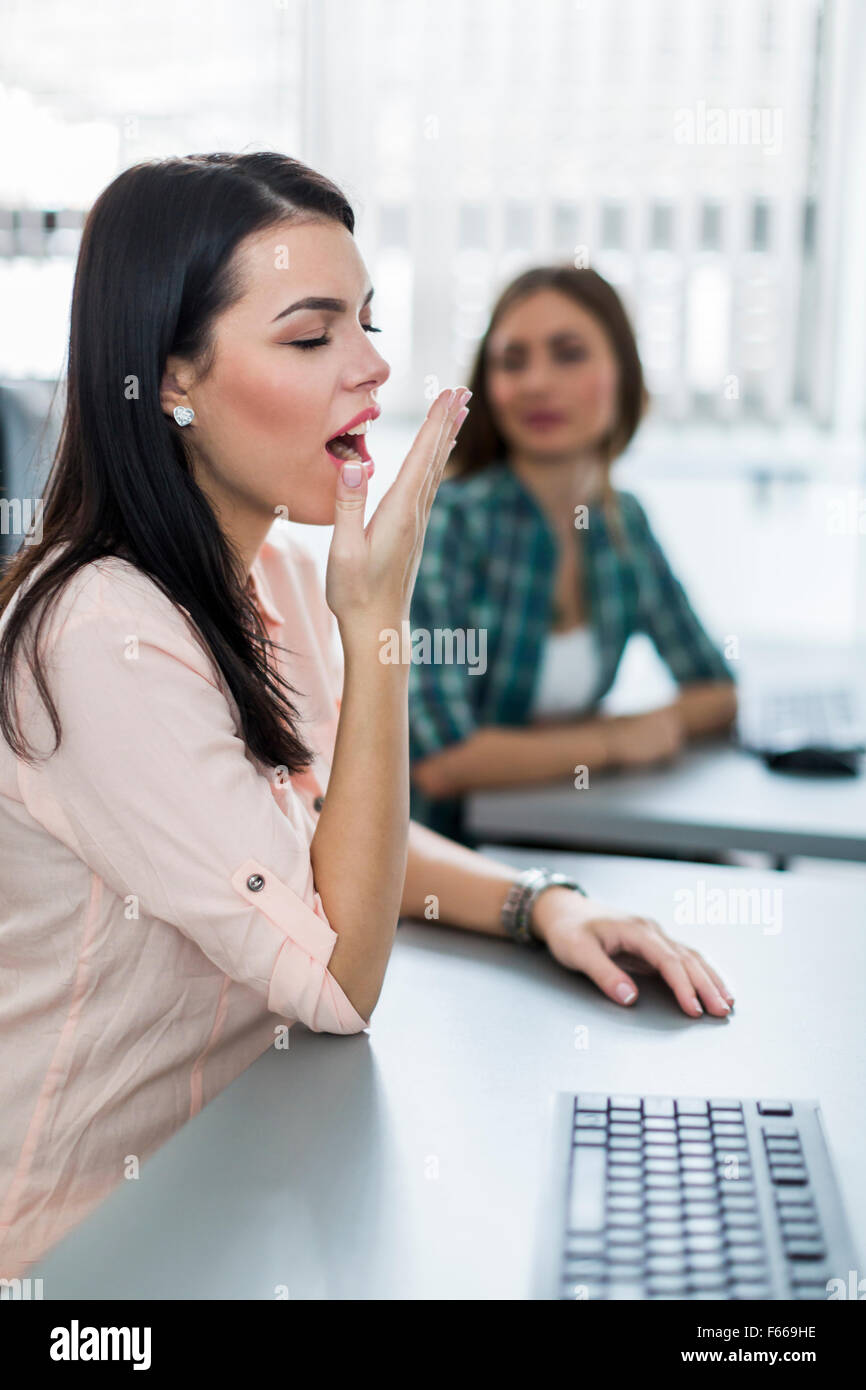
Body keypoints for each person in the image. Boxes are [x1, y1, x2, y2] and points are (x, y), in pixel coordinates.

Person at [0, 155, 733, 1278]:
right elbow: (338, 974)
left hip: (235, 1180)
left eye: (368, 322)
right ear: (171, 382)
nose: (374, 365)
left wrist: (542, 905)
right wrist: (379, 620)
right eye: (311, 336)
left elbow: (341, 830)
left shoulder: (275, 582)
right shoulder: (104, 633)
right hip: (79, 1250)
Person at [408, 265, 737, 845]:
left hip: (562, 831)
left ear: (623, 373)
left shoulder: (623, 522)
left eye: (569, 353)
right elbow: (442, 761)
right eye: (512, 361)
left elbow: (716, 689)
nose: (537, 383)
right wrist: (613, 740)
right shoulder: (452, 522)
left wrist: (640, 730)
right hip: (448, 857)